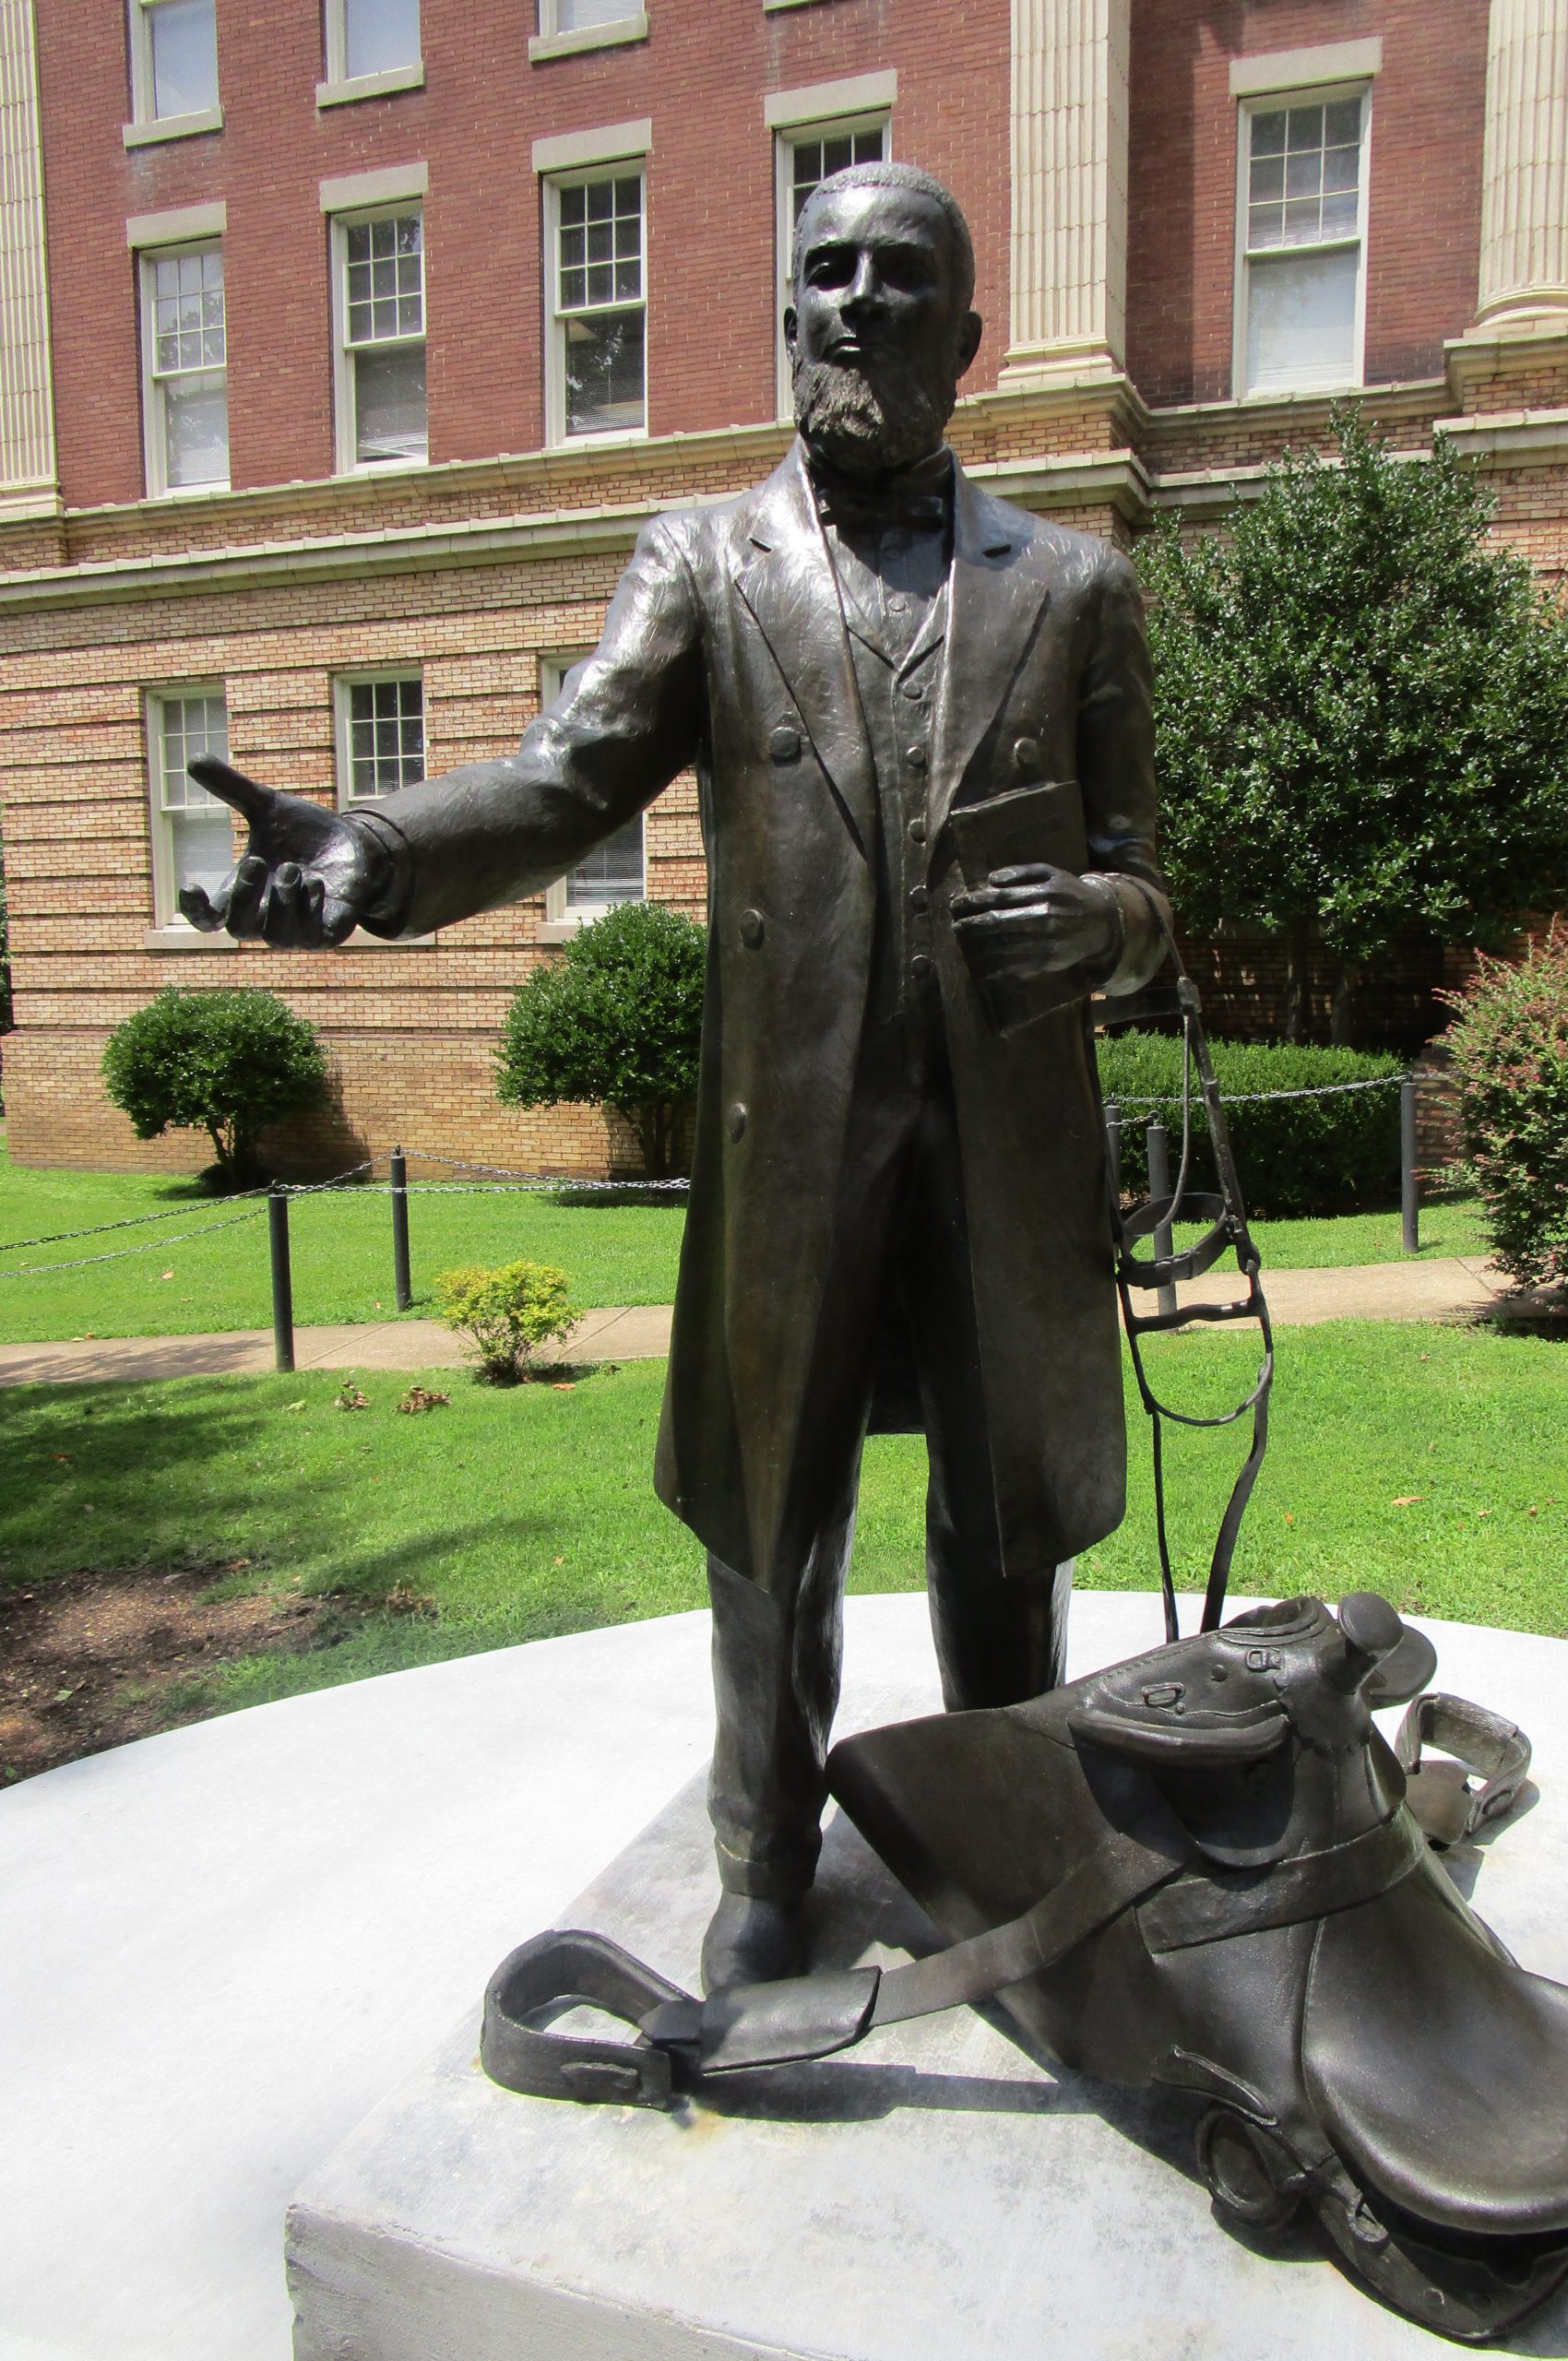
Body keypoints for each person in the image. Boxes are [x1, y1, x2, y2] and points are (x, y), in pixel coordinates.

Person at [183, 161, 1171, 1990]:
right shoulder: (707, 565)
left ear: (969, 335)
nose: (859, 305)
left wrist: (1106, 918)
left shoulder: (1079, 586)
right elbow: (566, 779)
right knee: (770, 1514)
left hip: (1005, 1136)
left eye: (901, 280)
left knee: (1002, 1519)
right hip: (788, 1135)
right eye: (826, 274)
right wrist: (378, 855)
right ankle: (763, 1852)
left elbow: (1148, 874)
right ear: (790, 315)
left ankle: (1016, 1838)